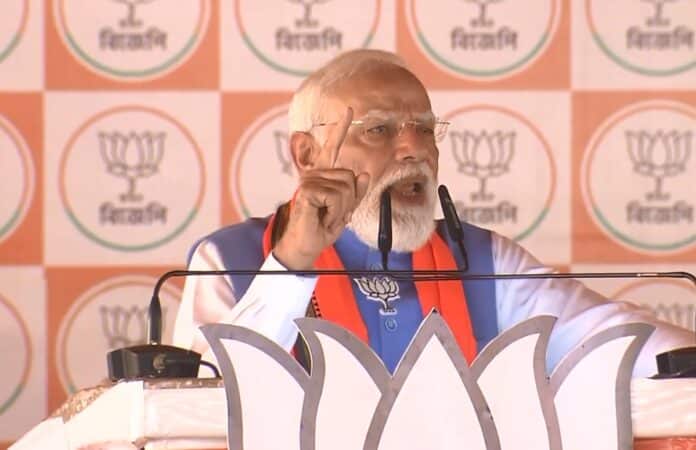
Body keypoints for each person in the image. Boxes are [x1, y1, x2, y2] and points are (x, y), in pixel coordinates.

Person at [173, 49, 692, 377]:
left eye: (424, 129)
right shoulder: (230, 259)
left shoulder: (483, 259)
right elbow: (201, 409)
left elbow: (622, 343)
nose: (413, 149)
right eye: (379, 130)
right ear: (306, 155)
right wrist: (291, 265)